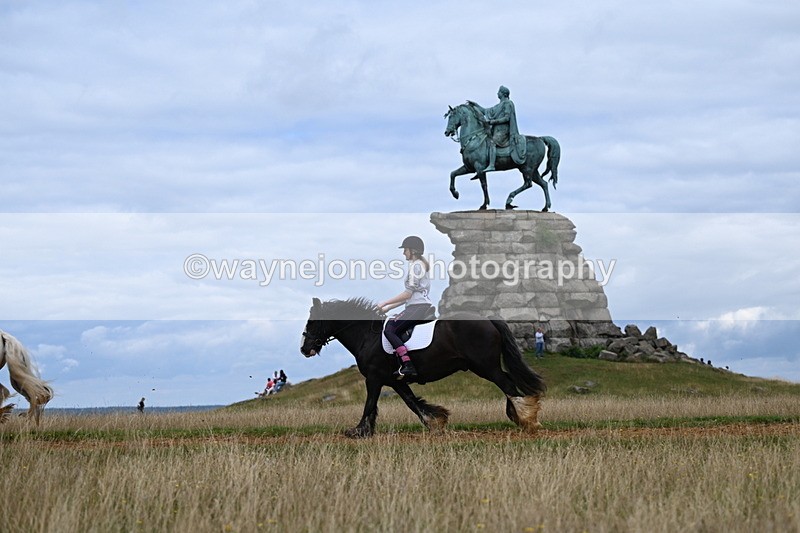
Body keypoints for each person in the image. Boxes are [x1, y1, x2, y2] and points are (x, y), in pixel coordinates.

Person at [377, 236, 435, 380]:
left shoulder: (416, 266)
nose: (404, 253)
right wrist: (388, 308)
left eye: (405, 250)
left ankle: (407, 364)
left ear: (413, 251)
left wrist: (385, 303)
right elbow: (410, 296)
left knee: (389, 329)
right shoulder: (419, 264)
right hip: (418, 305)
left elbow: (407, 294)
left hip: (417, 307)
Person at [466, 85, 524, 172]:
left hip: (504, 131)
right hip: (496, 130)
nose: (497, 93)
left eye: (499, 92)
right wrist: (476, 105)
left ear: (503, 94)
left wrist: (493, 122)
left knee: (492, 142)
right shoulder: (498, 105)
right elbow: (486, 111)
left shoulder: (508, 103)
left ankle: (492, 165)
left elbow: (507, 118)